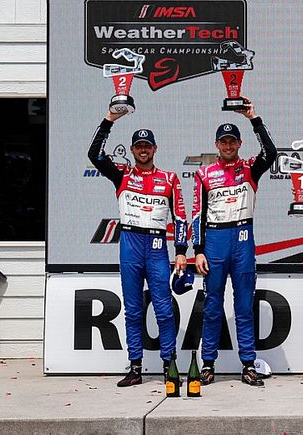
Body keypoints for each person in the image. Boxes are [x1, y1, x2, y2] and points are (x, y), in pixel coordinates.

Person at [88, 111, 188, 387]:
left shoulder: (169, 179)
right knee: (132, 311)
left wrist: (181, 250)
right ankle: (135, 368)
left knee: (165, 311)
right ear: (132, 150)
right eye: (138, 146)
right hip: (130, 245)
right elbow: (94, 154)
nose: (143, 150)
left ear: (154, 149)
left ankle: (169, 365)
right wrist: (109, 120)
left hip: (157, 248)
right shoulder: (121, 174)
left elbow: (180, 216)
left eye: (147, 146)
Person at [191, 99, 275, 387]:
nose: (228, 146)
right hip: (214, 240)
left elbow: (271, 152)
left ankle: (248, 364)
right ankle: (208, 364)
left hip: (242, 238)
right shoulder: (204, 174)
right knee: (212, 306)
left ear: (239, 144)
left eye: (232, 142)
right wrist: (197, 250)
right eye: (223, 142)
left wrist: (253, 118)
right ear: (217, 145)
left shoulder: (251, 168)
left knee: (243, 305)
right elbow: (196, 214)